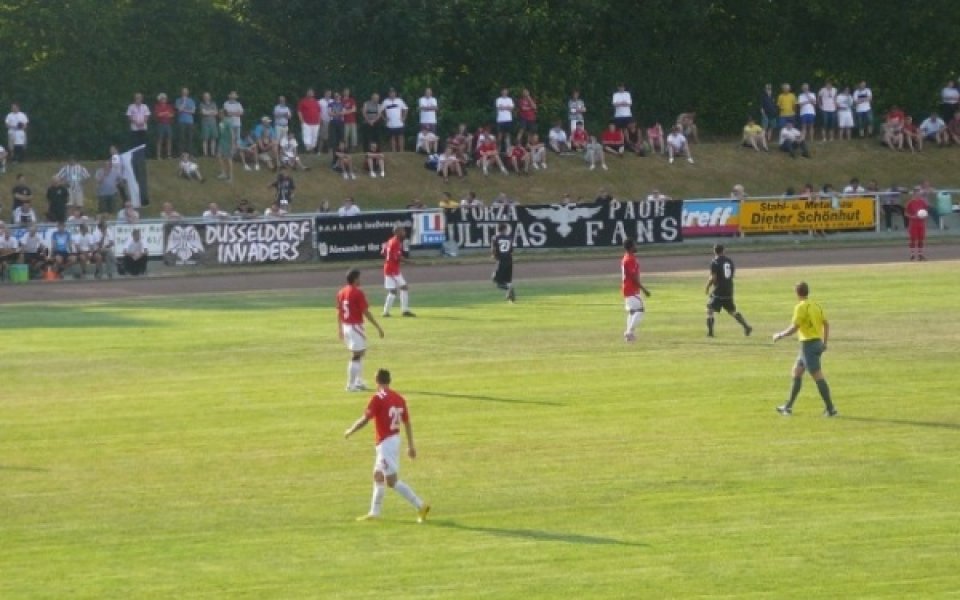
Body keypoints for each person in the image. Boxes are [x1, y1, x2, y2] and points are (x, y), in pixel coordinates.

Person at [343, 368, 430, 523]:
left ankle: (420, 505)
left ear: (377, 382)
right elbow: (407, 422)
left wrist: (351, 430)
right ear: (389, 381)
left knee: (391, 481)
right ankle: (374, 512)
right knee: (378, 475)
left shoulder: (377, 398)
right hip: (394, 439)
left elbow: (365, 419)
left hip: (386, 444)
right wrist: (411, 445)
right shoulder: (399, 398)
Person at [773, 282, 837, 417]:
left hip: (808, 346)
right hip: (813, 344)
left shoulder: (800, 307)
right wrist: (824, 342)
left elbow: (795, 327)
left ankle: (831, 409)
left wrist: (780, 335)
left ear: (797, 293)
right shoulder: (816, 305)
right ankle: (788, 407)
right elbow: (826, 323)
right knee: (796, 372)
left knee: (817, 376)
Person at [336, 268, 385, 392]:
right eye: (358, 278)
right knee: (356, 355)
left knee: (361, 353)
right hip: (355, 326)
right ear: (354, 279)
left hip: (347, 326)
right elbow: (365, 312)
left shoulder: (341, 292)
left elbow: (339, 312)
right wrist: (378, 326)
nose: (360, 280)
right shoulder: (357, 293)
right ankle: (350, 385)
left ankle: (358, 381)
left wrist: (340, 329)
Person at [704, 244, 752, 337]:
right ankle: (746, 326)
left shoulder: (715, 262)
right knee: (731, 311)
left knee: (709, 310)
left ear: (714, 251)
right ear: (723, 251)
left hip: (718, 290)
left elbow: (713, 278)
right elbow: (732, 275)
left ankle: (710, 333)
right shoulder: (729, 261)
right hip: (729, 289)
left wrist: (707, 287)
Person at [621, 237, 651, 342]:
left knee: (632, 312)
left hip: (628, 289)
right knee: (640, 310)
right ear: (630, 247)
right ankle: (629, 332)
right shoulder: (630, 259)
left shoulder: (627, 257)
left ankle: (629, 333)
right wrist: (644, 289)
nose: (636, 246)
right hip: (631, 289)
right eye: (634, 245)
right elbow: (633, 277)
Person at [382, 225, 414, 317]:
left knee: (399, 289)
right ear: (397, 232)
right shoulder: (395, 242)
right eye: (402, 231)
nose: (404, 232)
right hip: (392, 269)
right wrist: (410, 262)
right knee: (399, 289)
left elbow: (383, 252)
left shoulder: (390, 241)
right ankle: (401, 311)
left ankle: (390, 311)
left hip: (389, 268)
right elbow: (397, 257)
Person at [491, 222, 516, 302]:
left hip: (501, 260)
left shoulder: (495, 237)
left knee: (496, 280)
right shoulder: (509, 238)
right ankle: (510, 298)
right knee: (508, 280)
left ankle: (509, 289)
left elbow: (494, 249)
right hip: (509, 260)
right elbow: (511, 250)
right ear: (505, 229)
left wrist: (494, 256)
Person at [905, 186, 930, 261]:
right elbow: (906, 213)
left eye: (919, 192)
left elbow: (926, 210)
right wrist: (912, 216)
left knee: (921, 239)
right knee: (913, 239)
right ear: (914, 193)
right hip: (913, 223)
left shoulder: (922, 202)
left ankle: (920, 255)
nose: (918, 194)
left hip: (921, 223)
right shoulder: (910, 203)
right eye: (916, 192)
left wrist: (925, 215)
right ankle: (912, 255)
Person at [175, 87, 196, 155]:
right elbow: (179, 110)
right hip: (181, 121)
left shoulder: (191, 100)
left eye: (186, 91)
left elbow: (193, 111)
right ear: (181, 92)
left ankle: (190, 153)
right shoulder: (178, 100)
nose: (184, 93)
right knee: (182, 138)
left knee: (190, 138)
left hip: (190, 121)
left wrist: (184, 110)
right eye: (183, 91)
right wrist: (184, 102)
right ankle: (181, 153)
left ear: (188, 92)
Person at [154, 93, 175, 160]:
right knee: (159, 140)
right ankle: (158, 156)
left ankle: (169, 155)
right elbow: (158, 115)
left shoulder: (169, 106)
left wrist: (164, 114)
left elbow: (172, 115)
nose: (164, 99)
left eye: (165, 98)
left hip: (168, 124)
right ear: (159, 99)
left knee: (169, 139)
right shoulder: (157, 106)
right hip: (160, 124)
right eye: (162, 98)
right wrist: (166, 113)